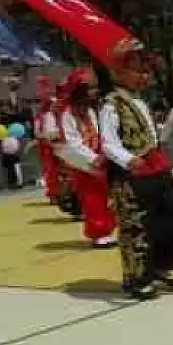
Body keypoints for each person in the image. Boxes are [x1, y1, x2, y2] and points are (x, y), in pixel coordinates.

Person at [99, 40, 173, 300]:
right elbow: (107, 142)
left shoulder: (141, 101)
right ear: (118, 73)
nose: (144, 76)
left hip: (157, 168)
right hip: (131, 174)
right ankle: (136, 278)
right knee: (136, 226)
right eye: (137, 71)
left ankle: (160, 266)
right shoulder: (111, 105)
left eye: (145, 71)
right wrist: (128, 159)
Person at [48, 68, 117, 249]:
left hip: (97, 158)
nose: (95, 92)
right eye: (91, 88)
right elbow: (72, 142)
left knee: (105, 195)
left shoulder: (89, 111)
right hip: (82, 162)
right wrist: (92, 158)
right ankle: (98, 233)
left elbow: (97, 132)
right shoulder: (67, 114)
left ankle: (106, 229)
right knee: (92, 197)